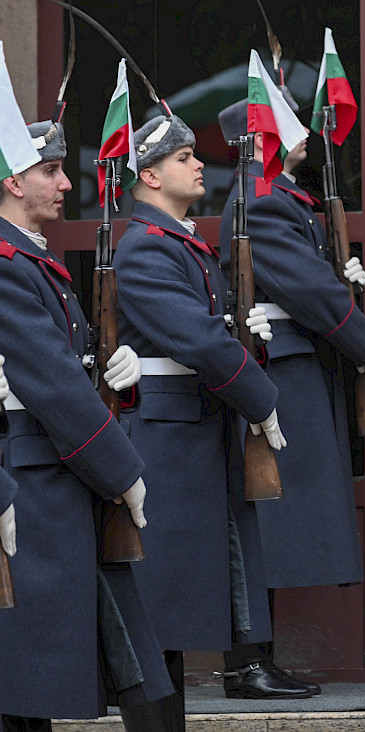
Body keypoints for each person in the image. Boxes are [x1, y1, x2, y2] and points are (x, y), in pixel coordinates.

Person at [114, 114, 313, 704]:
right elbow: (195, 341)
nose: (199, 164)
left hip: (198, 427)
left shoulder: (178, 240)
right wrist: (261, 398)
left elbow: (210, 331)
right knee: (165, 605)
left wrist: (241, 334)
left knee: (198, 586)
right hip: (169, 437)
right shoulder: (147, 248)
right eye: (183, 159)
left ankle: (237, 670)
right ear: (149, 174)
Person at [0, 120, 175, 730]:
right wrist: (123, 472)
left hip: (61, 476)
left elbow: (67, 365)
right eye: (49, 171)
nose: (64, 183)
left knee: (53, 671)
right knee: (24, 683)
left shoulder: (32, 258)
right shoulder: (7, 263)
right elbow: (50, 383)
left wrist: (107, 366)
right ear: (11, 180)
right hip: (36, 484)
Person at [215, 97, 365, 683]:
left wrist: (342, 284)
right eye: (285, 121)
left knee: (276, 522)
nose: (302, 130)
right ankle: (248, 663)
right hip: (279, 368)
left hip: (290, 363)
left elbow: (313, 282)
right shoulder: (262, 199)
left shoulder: (278, 195)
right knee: (267, 520)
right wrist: (364, 341)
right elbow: (307, 290)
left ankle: (259, 658)